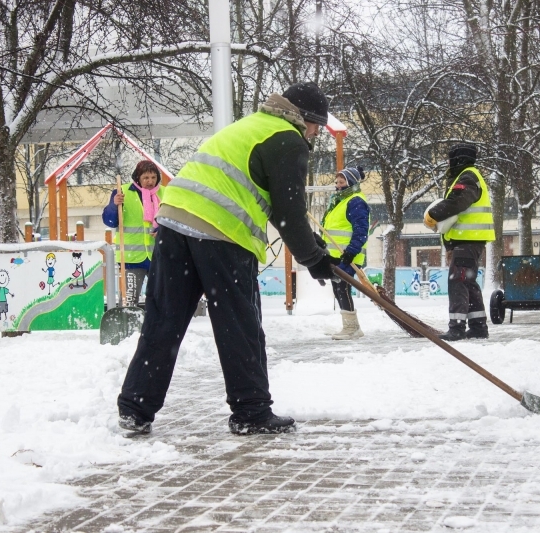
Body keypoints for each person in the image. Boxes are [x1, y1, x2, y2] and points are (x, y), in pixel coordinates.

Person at [116, 82, 338, 435]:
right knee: (239, 324)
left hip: (174, 224)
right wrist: (314, 259)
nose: (316, 134)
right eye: (317, 126)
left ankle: (135, 407)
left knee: (164, 321)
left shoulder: (249, 127)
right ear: (305, 119)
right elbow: (290, 214)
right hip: (222, 234)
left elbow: (286, 210)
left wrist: (314, 249)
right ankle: (251, 411)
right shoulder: (288, 139)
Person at [424, 143, 495, 341]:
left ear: (458, 158)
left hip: (468, 239)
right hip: (468, 240)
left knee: (458, 281)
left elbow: (458, 202)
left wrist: (433, 214)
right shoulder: (468, 175)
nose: (448, 162)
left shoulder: (468, 176)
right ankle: (478, 326)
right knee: (468, 282)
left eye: (450, 158)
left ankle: (456, 327)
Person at [102, 160, 165, 307]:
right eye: (146, 178)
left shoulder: (165, 193)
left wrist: (162, 230)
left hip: (159, 256)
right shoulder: (122, 193)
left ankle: (156, 326)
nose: (150, 182)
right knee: (130, 300)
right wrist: (114, 205)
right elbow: (110, 221)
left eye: (153, 177)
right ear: (138, 178)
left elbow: (173, 220)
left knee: (161, 298)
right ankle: (131, 326)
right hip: (131, 258)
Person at [320, 165, 370, 340]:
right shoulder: (338, 201)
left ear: (351, 183)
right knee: (338, 288)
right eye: (337, 181)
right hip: (335, 255)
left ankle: (352, 328)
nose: (338, 185)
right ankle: (349, 326)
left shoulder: (355, 201)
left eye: (342, 182)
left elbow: (361, 231)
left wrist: (350, 252)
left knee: (342, 287)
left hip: (348, 255)